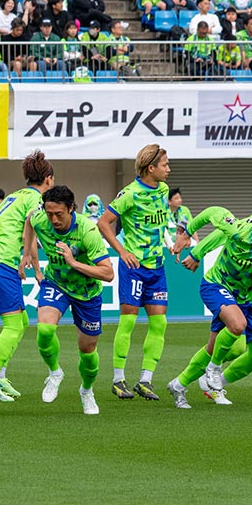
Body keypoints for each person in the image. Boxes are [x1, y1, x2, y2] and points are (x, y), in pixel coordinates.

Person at [165, 200, 252, 408]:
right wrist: (187, 235)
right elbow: (212, 212)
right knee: (237, 325)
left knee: (218, 347)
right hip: (217, 285)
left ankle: (178, 385)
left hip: (250, 297)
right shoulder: (238, 229)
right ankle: (213, 370)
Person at [20, 185, 113, 415]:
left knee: (88, 351)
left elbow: (108, 273)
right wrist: (28, 254)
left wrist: (73, 262)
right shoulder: (41, 218)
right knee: (44, 329)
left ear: (71, 208)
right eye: (49, 213)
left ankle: (87, 391)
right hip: (56, 283)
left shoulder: (87, 230)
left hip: (87, 292)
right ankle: (55, 372)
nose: (53, 219)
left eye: (58, 214)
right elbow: (29, 220)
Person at [0, 151, 56, 402]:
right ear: (48, 178)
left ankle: (0, 376)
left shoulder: (12, 196)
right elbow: (29, 230)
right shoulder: (36, 199)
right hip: (2, 265)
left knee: (21, 321)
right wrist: (35, 268)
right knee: (13, 325)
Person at [97, 143, 170, 401]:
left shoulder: (163, 190)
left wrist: (171, 243)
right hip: (134, 268)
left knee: (159, 324)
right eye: (165, 165)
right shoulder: (129, 193)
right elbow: (103, 222)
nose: (169, 169)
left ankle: (145, 380)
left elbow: (161, 224)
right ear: (150, 168)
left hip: (157, 268)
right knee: (127, 322)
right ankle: (118, 379)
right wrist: (121, 251)